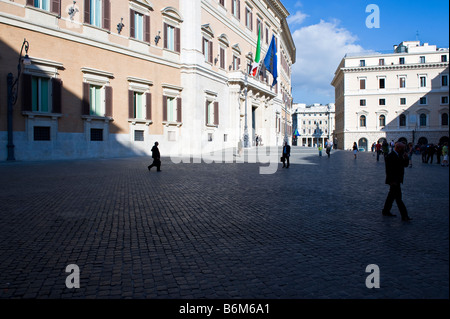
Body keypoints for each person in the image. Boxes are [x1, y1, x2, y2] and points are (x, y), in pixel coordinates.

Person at [382, 141, 412, 221]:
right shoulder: (390, 156)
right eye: (403, 148)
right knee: (398, 198)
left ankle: (385, 211)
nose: (404, 150)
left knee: (391, 196)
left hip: (397, 179)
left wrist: (406, 158)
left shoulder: (399, 155)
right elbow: (389, 170)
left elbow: (404, 165)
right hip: (394, 181)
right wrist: (392, 181)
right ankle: (404, 215)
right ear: (398, 148)